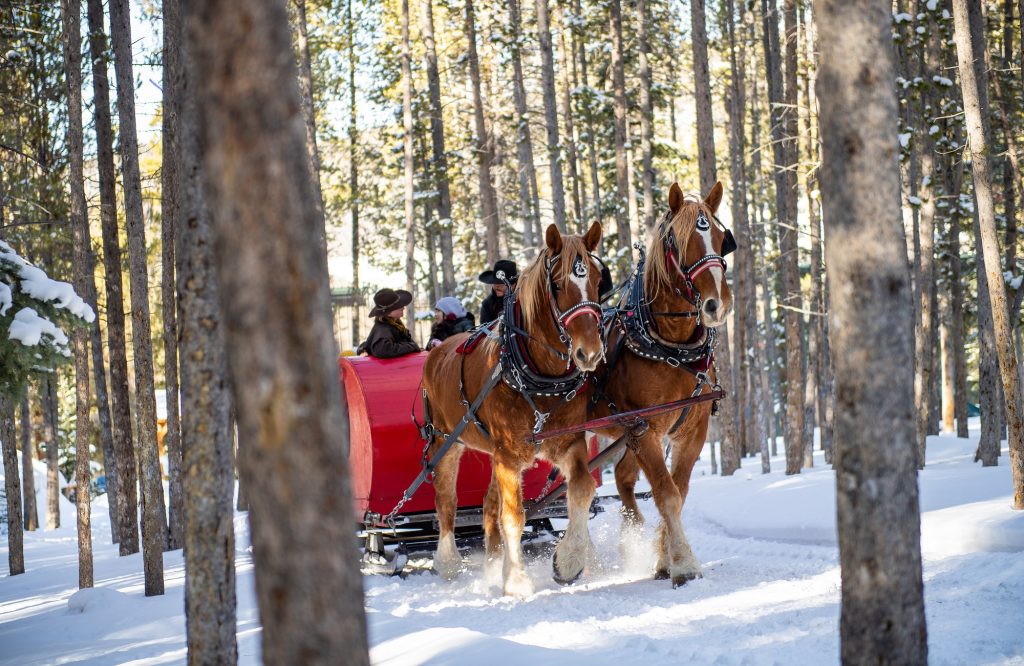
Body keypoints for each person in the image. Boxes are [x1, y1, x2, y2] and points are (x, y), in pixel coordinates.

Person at [357, 288, 421, 359]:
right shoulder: (383, 328)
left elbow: (369, 343)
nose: (403, 309)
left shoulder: (394, 323)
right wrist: (411, 346)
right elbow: (382, 349)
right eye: (400, 309)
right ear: (389, 313)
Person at [478, 259, 518, 324]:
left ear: (513, 285)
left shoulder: (524, 300)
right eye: (494, 283)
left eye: (501, 283)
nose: (497, 286)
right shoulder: (488, 304)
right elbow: (485, 331)